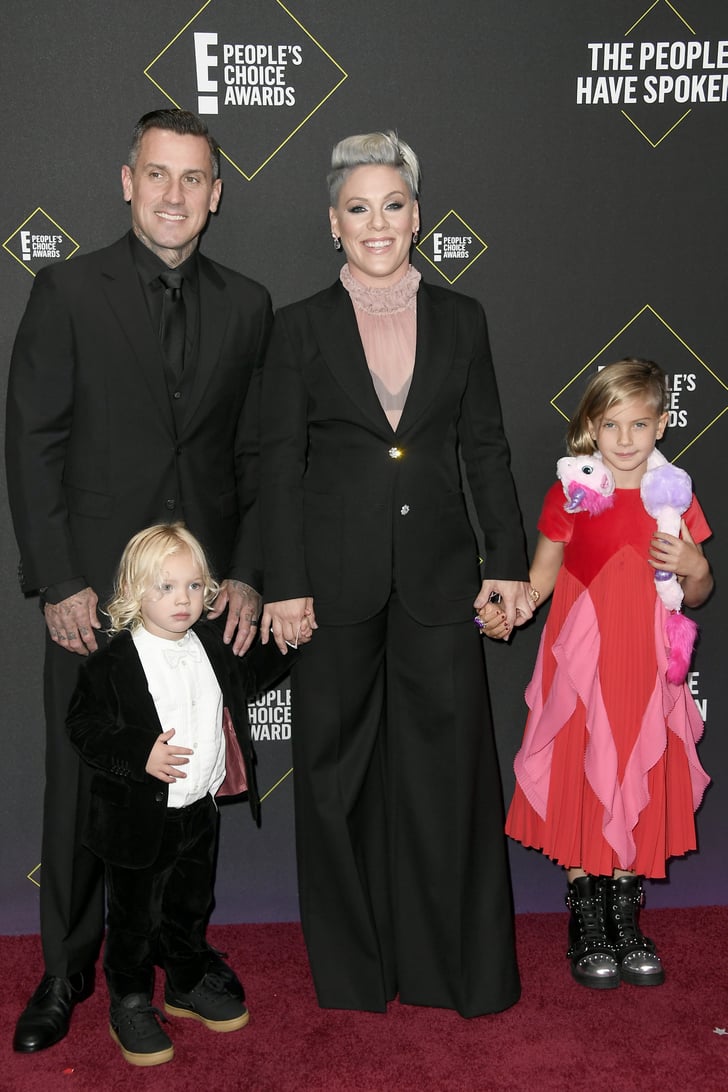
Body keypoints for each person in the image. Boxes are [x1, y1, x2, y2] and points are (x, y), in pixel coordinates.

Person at [5, 108, 272, 1053]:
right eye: (157, 175)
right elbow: (32, 443)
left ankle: (181, 957)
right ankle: (67, 972)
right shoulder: (68, 290)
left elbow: (255, 453)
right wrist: (61, 581)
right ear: (128, 181)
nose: (173, 195)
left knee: (193, 791)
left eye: (192, 179)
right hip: (101, 603)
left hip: (196, 603)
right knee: (89, 787)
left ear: (215, 193)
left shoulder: (247, 304)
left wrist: (241, 575)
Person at [259, 131, 534, 1017]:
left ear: (418, 214)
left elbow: (485, 449)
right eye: (357, 207)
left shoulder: (465, 318)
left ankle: (457, 969)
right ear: (331, 222)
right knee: (333, 782)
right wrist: (287, 582)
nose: (376, 223)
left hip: (440, 578)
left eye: (392, 204)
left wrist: (507, 565)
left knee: (448, 777)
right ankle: (353, 976)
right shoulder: (296, 326)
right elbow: (277, 464)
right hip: (330, 587)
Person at [482, 359, 713, 990]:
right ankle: (586, 919)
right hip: (582, 661)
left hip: (646, 662)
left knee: (637, 769)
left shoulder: (676, 497)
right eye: (611, 424)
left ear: (663, 423)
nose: (627, 437)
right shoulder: (573, 491)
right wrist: (510, 609)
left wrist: (693, 565)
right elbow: (541, 577)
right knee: (587, 773)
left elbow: (698, 594)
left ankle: (626, 917)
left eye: (640, 423)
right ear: (590, 427)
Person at [65, 523, 296, 1066]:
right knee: (133, 919)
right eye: (165, 587)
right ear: (132, 592)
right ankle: (130, 998)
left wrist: (287, 642)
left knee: (191, 905)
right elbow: (83, 726)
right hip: (135, 821)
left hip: (199, 810)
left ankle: (187, 981)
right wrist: (139, 751)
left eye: (194, 586)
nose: (182, 600)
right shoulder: (111, 663)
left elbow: (251, 676)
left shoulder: (212, 648)